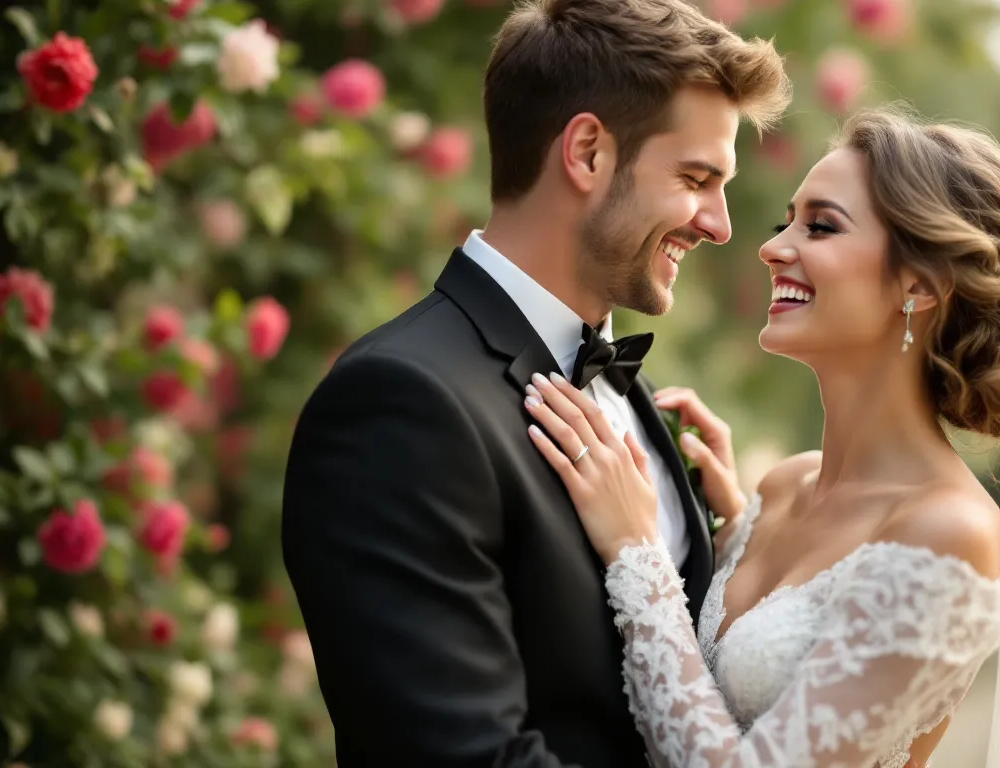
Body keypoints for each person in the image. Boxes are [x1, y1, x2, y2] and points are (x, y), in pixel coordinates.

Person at [524, 107, 1000, 767]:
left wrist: (639, 555)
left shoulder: (949, 532)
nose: (773, 246)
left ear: (919, 284)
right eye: (788, 220)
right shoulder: (779, 489)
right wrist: (708, 525)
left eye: (821, 226)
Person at [280, 0, 791, 765]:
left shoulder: (642, 405)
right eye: (694, 177)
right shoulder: (401, 404)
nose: (719, 225)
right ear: (587, 152)